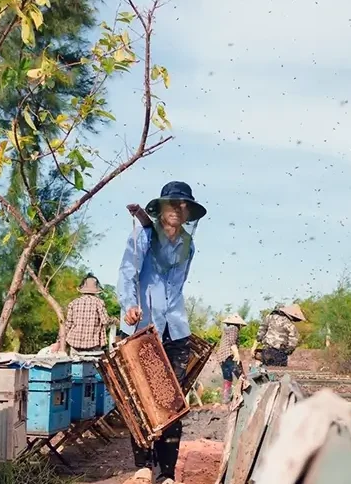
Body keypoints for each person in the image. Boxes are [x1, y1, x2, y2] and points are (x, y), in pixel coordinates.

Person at [118, 181, 207, 484]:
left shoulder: (188, 246)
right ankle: (143, 465)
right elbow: (127, 273)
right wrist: (130, 305)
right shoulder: (143, 236)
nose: (178, 210)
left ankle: (166, 473)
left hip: (176, 332)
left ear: (188, 213)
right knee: (140, 399)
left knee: (172, 403)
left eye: (184, 206)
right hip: (141, 329)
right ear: (162, 208)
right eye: (173, 204)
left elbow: (177, 287)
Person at [60, 273, 114, 354]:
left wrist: (60, 341)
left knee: (75, 361)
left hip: (74, 343)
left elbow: (68, 325)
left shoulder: (73, 303)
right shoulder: (99, 303)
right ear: (96, 290)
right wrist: (113, 320)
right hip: (93, 344)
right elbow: (105, 321)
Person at [218, 313, 247, 404]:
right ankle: (245, 396)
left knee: (227, 377)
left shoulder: (226, 329)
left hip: (222, 357)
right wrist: (236, 354)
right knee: (241, 375)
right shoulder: (234, 328)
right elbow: (232, 342)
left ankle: (226, 399)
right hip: (229, 355)